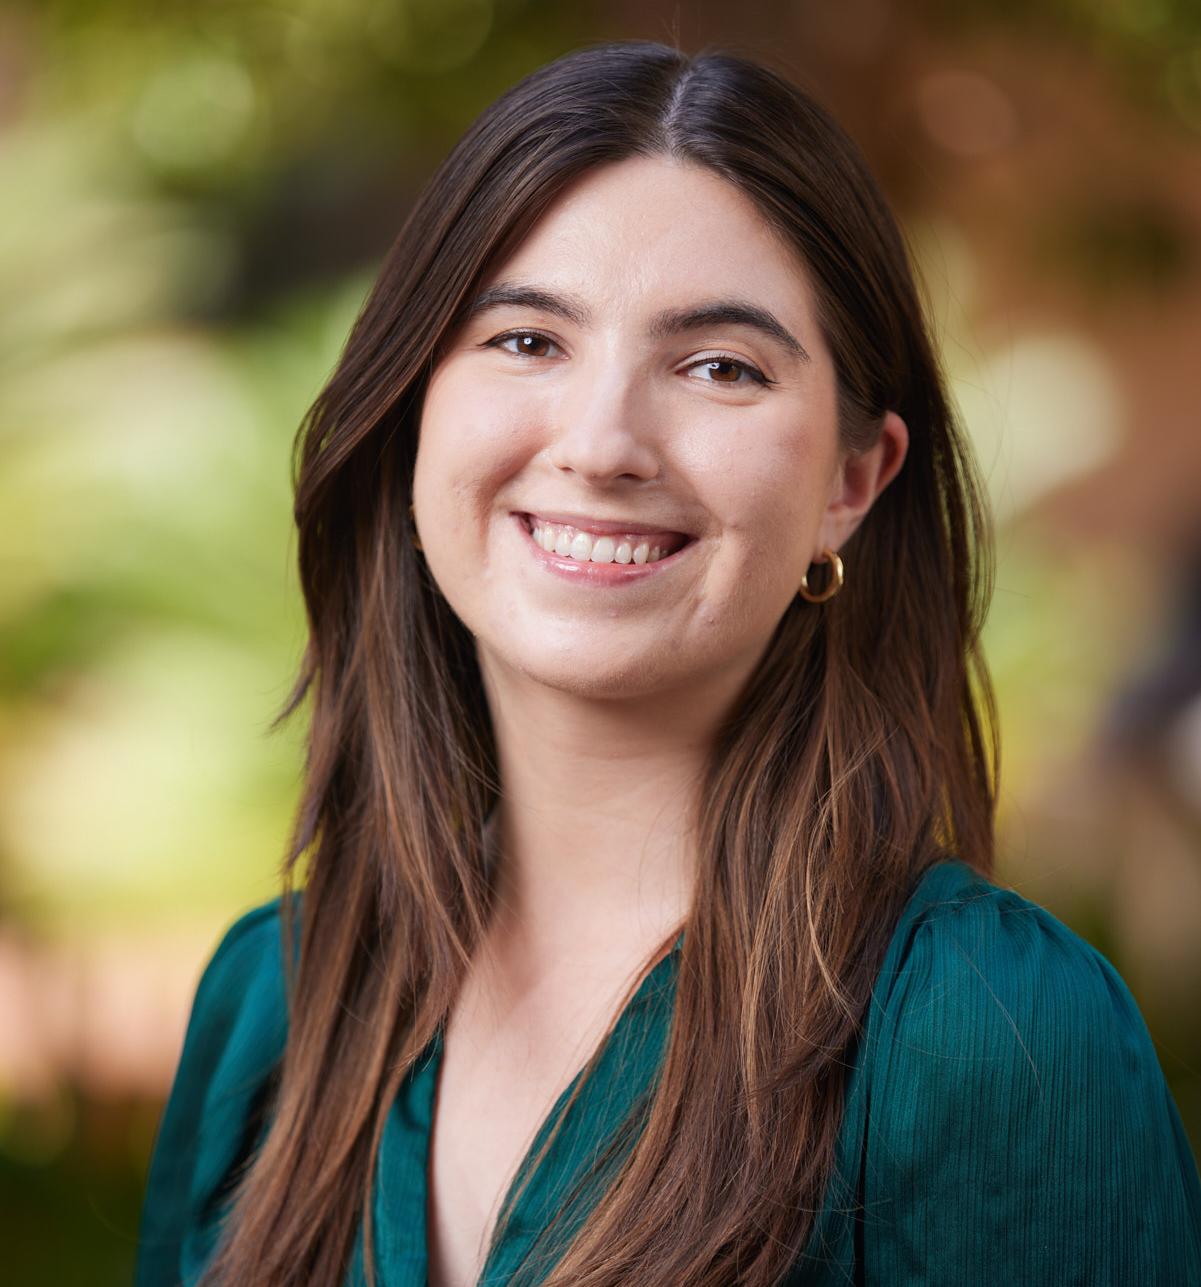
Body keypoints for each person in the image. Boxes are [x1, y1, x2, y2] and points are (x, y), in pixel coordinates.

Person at [132, 39, 1201, 1287]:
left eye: (719, 367)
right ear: (415, 403)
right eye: (526, 340)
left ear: (853, 482)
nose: (601, 444)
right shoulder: (273, 1000)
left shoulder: (985, 1031)